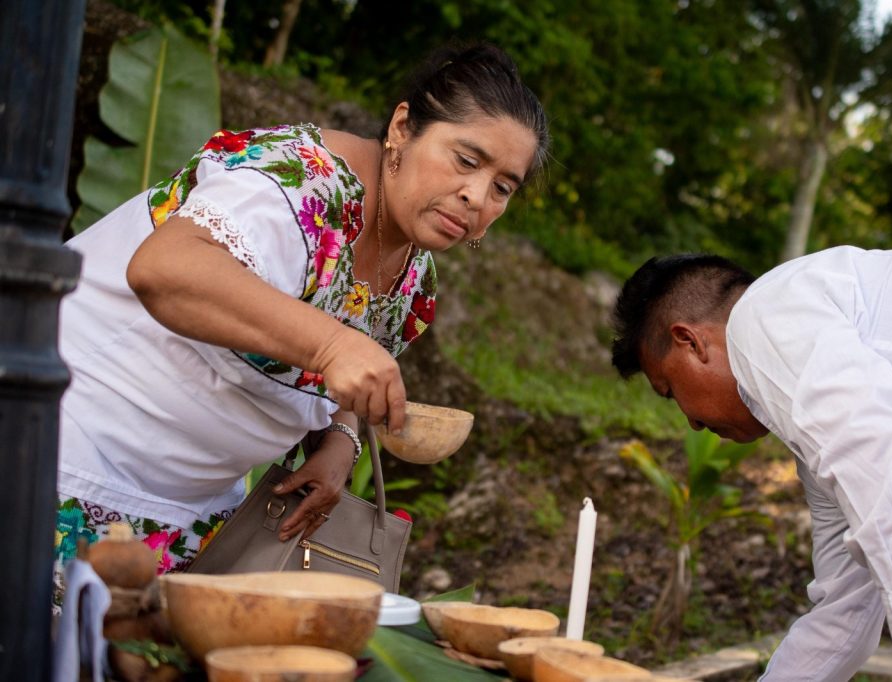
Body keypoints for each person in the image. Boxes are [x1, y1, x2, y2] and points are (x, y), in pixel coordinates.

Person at [53, 43, 549, 601]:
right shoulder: (298, 182)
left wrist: (339, 439)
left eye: (503, 187)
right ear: (403, 128)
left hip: (187, 520)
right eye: (466, 160)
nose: (476, 196)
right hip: (63, 464)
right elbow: (165, 269)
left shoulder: (413, 284)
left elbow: (338, 371)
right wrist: (332, 347)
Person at [610, 246, 892, 681]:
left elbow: (878, 454)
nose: (691, 422)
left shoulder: (767, 318)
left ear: (691, 341)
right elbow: (845, 611)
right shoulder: (818, 435)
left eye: (671, 391)